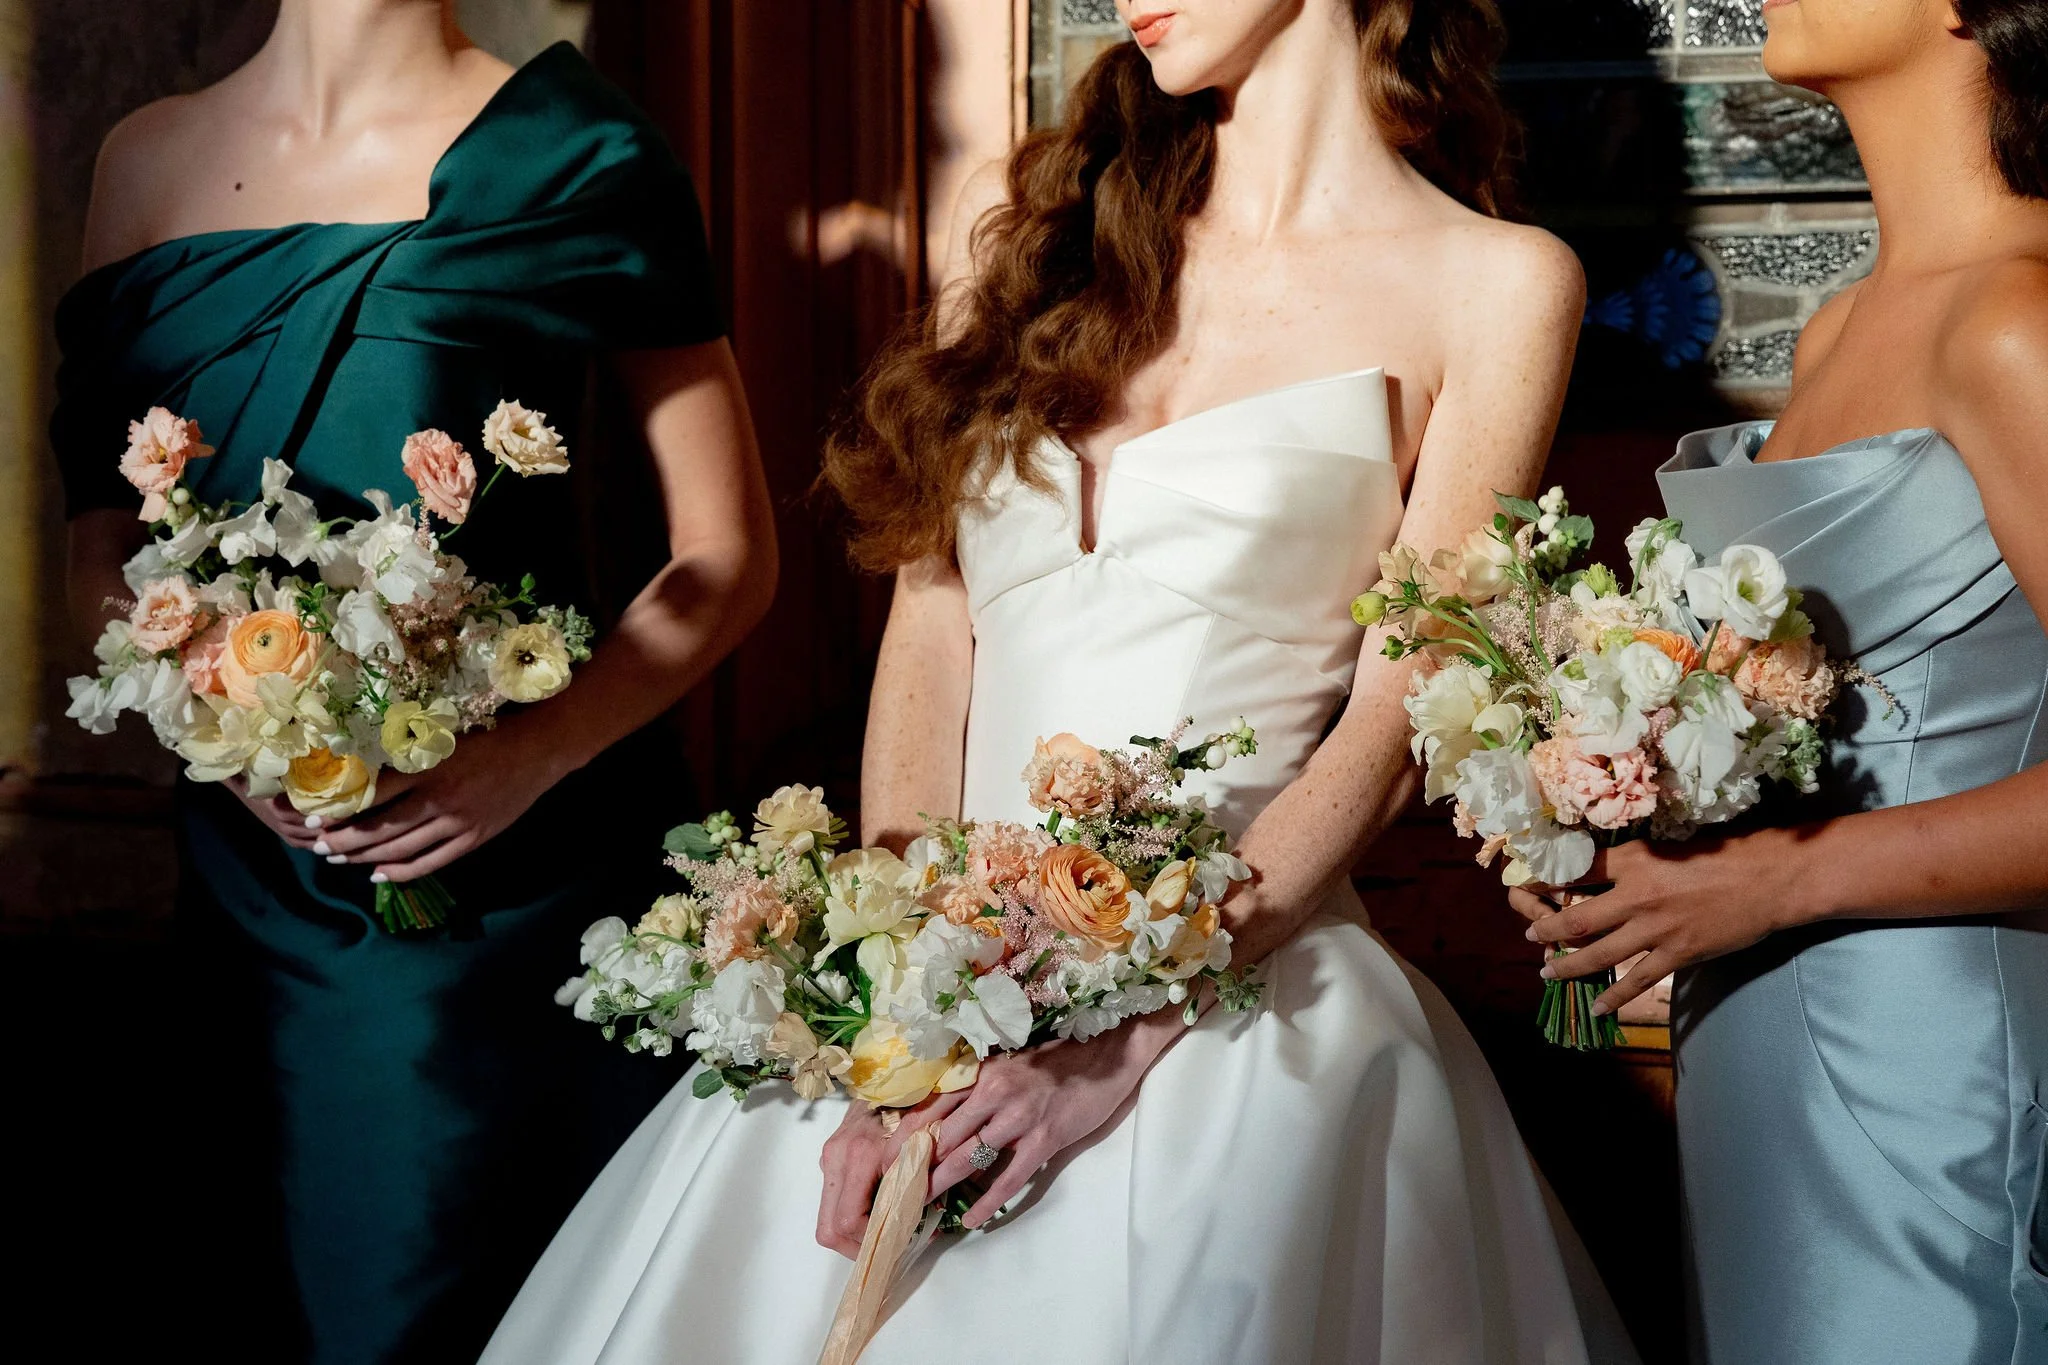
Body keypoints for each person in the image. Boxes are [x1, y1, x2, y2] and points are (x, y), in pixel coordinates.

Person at [484, 3, 1637, 1361]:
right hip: (944, 976)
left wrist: (1128, 1032)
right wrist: (894, 1007)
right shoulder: (1041, 229)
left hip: (1236, 995)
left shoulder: (1497, 284)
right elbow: (932, 626)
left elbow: (1396, 717)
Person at [52, 4, 775, 1360]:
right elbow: (100, 555)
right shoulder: (140, 159)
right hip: (248, 879)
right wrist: (218, 721)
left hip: (509, 880)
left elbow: (726, 559)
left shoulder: (574, 149)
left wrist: (530, 757)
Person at [1519, 0, 2048, 1359]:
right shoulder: (1835, 334)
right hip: (1756, 1050)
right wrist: (1638, 854)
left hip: (1933, 1072)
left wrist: (1771, 882)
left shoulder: (2021, 321)